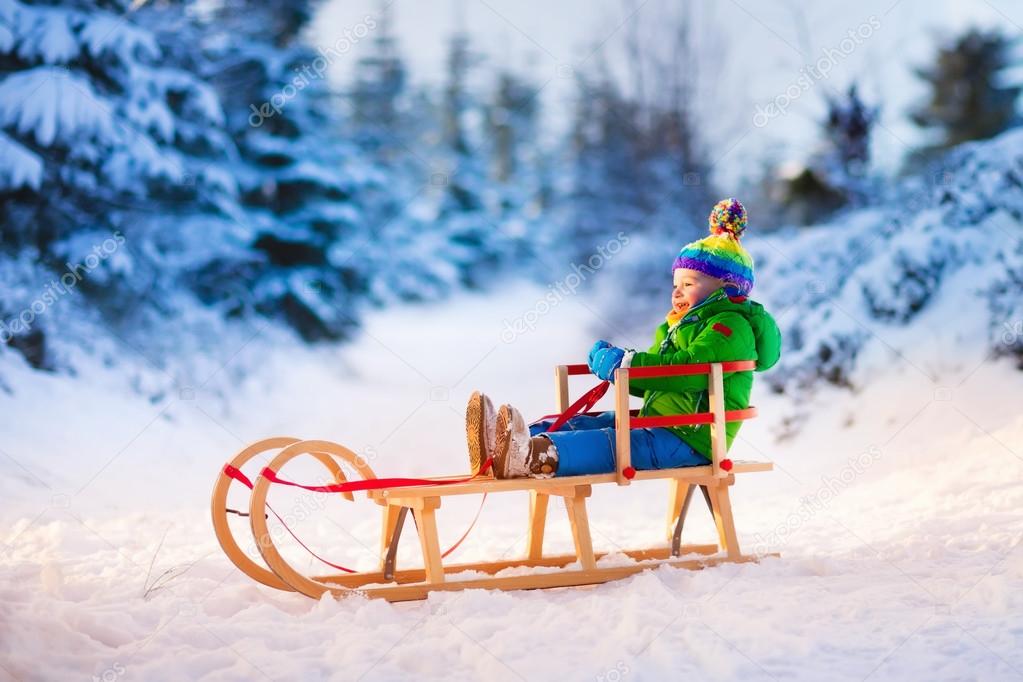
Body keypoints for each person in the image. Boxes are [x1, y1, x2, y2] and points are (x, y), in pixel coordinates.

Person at [466, 198, 781, 479]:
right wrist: (619, 370)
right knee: (590, 422)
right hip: (667, 426)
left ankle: (533, 455)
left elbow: (687, 371)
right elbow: (658, 380)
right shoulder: (684, 327)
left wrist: (626, 363)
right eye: (675, 283)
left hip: (691, 439)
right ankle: (508, 443)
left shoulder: (728, 327)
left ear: (726, 287)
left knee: (610, 441)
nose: (677, 291)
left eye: (689, 282)